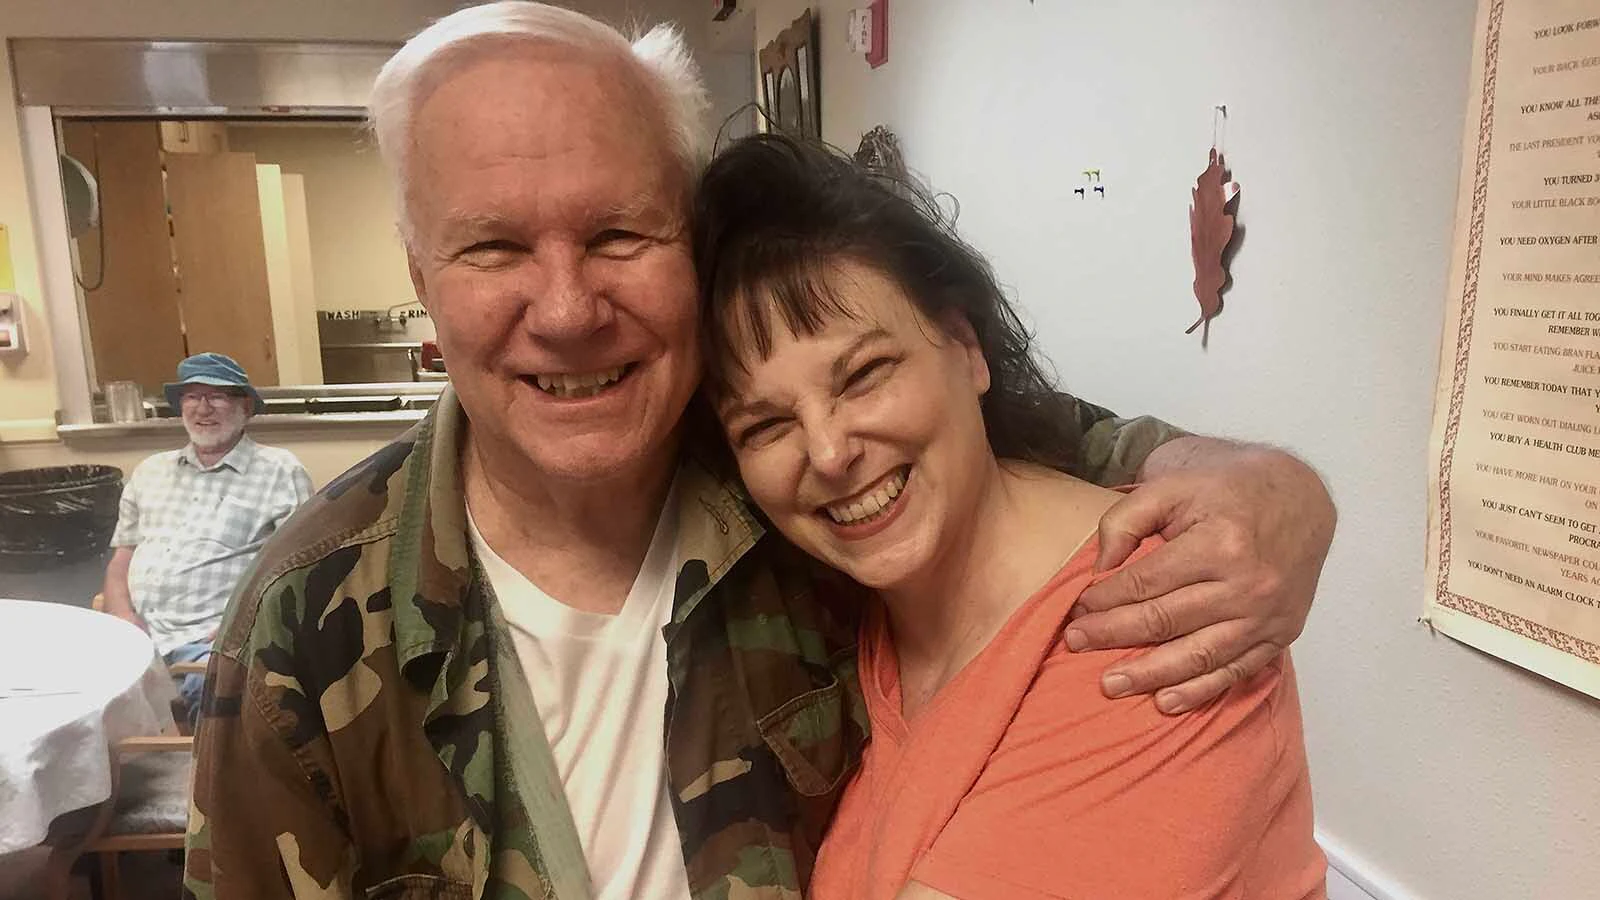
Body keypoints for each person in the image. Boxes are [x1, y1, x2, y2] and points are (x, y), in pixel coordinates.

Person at [184, 4, 1335, 898]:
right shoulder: (308, 624)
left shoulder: (784, 491)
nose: (570, 307)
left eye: (617, 233)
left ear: (685, 240)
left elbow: (1019, 438)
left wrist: (1263, 490)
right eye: (491, 248)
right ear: (419, 279)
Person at [696, 133, 1327, 899]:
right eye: (765, 426)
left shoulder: (1157, 621)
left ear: (967, 348)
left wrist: (1283, 482)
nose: (828, 452)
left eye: (865, 374)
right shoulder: (855, 632)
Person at [101, 352, 312, 718]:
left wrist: (243, 625)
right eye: (192, 396)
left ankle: (211, 772)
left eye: (217, 396)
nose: (203, 408)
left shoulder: (279, 470)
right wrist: (121, 614)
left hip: (216, 640)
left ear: (245, 407)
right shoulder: (150, 471)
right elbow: (122, 558)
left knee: (220, 696)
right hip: (137, 636)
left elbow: (302, 565)